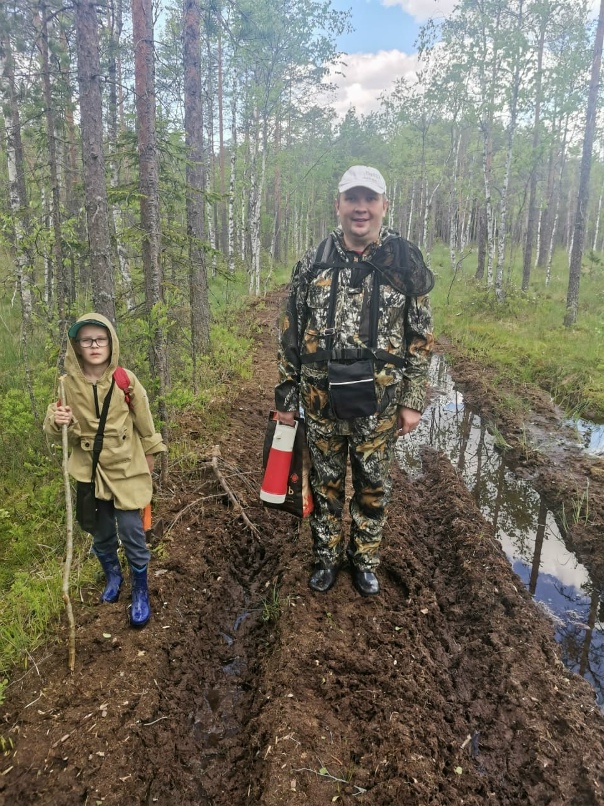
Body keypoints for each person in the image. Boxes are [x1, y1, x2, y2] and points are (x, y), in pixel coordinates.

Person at [275, 165, 434, 596]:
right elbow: (290, 333)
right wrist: (287, 399)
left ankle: (364, 560)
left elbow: (420, 338)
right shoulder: (312, 263)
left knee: (372, 485)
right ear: (339, 205)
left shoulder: (404, 265)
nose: (360, 208)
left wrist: (413, 398)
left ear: (384, 205)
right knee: (324, 484)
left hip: (380, 404)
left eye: (369, 199)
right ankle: (326, 558)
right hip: (320, 399)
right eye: (352, 199)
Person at [44, 313, 167, 627]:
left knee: (131, 531)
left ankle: (140, 588)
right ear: (77, 346)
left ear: (111, 342)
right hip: (89, 471)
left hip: (126, 468)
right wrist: (59, 422)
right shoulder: (66, 385)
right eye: (87, 340)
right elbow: (60, 431)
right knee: (100, 533)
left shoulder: (126, 380)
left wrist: (151, 457)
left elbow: (145, 423)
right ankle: (113, 577)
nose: (94, 345)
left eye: (100, 339)